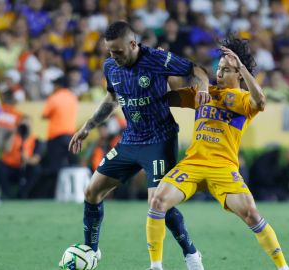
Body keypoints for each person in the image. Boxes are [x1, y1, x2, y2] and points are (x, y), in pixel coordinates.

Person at [67, 21, 211, 270]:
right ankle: (91, 251)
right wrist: (87, 127)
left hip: (160, 140)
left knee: (158, 204)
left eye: (118, 51)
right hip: (130, 140)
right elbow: (113, 99)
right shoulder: (110, 66)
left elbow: (195, 69)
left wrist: (205, 88)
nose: (114, 57)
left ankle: (191, 254)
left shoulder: (156, 59)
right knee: (91, 192)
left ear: (133, 44)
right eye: (110, 51)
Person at [146, 38, 289, 270]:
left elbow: (261, 101)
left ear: (240, 74)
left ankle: (283, 267)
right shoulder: (204, 92)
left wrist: (241, 65)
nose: (220, 73)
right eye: (219, 68)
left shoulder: (243, 99)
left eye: (226, 69)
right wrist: (163, 66)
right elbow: (169, 97)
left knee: (251, 214)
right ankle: (155, 266)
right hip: (193, 164)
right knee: (157, 201)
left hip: (223, 169)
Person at [40, 76, 78, 198]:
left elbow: (44, 115)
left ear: (59, 85)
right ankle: (75, 192)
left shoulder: (54, 98)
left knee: (55, 166)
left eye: (54, 84)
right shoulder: (73, 97)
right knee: (73, 165)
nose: (53, 87)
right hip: (70, 136)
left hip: (55, 135)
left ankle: (55, 194)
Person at [0, 115, 43, 199]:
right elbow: (7, 149)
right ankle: (7, 195)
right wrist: (13, 132)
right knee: (0, 166)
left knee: (36, 169)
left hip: (24, 168)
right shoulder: (13, 136)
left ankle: (23, 194)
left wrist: (26, 159)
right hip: (10, 167)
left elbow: (36, 159)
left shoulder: (35, 140)